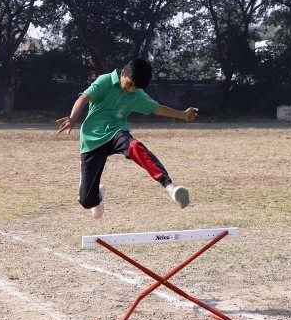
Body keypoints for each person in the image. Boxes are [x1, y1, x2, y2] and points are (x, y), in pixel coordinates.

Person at [56, 58, 195, 219]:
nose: (131, 90)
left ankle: (171, 188)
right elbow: (84, 98)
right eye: (130, 84)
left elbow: (157, 109)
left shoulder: (137, 94)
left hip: (116, 131)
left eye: (136, 88)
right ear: (122, 73)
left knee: (136, 147)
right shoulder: (105, 81)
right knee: (87, 201)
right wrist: (73, 118)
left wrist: (182, 115)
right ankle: (98, 195)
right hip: (92, 138)